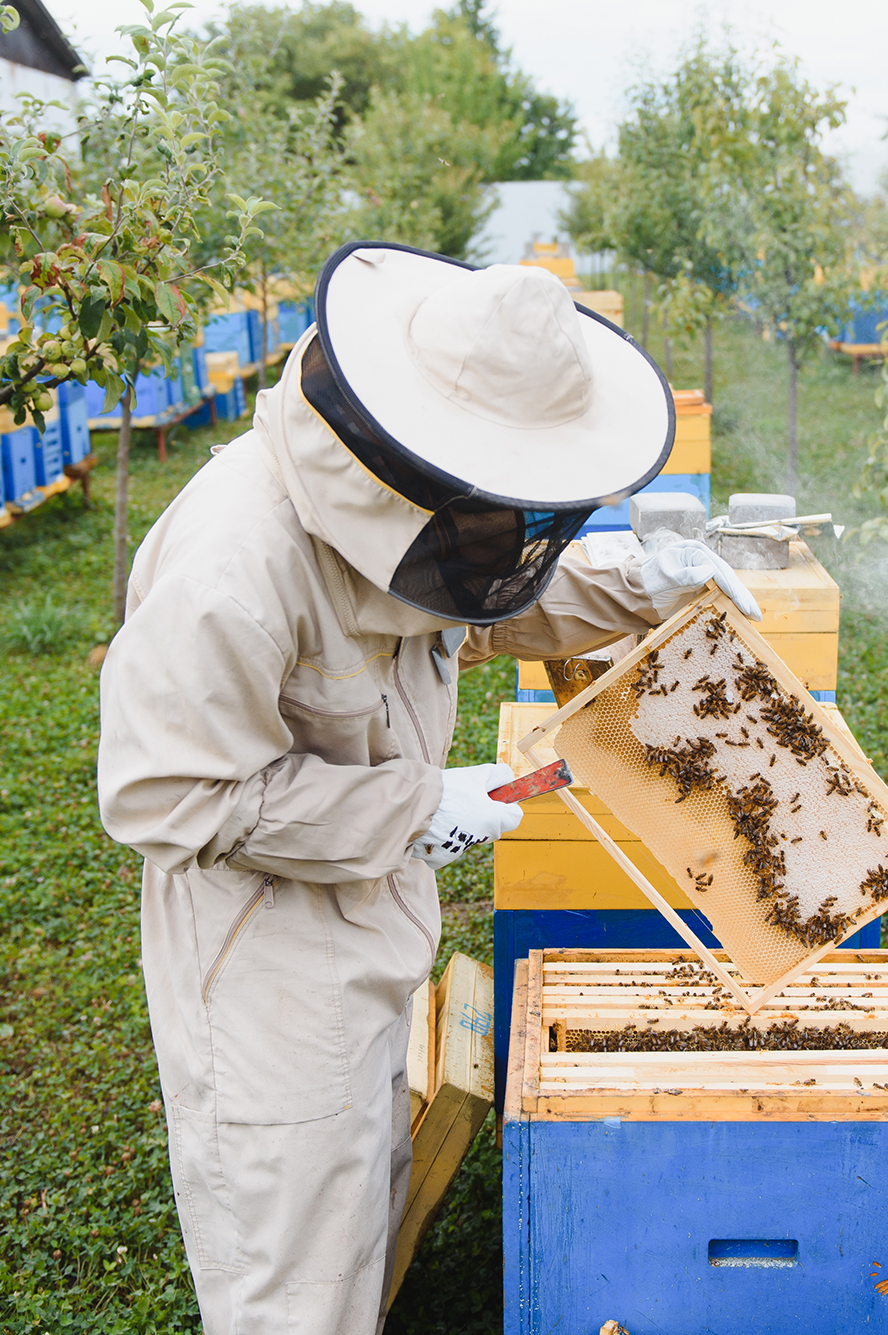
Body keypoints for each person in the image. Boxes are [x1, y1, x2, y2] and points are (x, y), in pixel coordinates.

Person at [96, 241, 761, 1334]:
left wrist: (635, 584)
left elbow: (470, 598)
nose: (512, 536)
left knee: (359, 1201)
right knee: (295, 1285)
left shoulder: (417, 516)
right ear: (413, 471)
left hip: (367, 913)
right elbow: (168, 797)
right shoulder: (233, 568)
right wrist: (415, 807)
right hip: (259, 954)